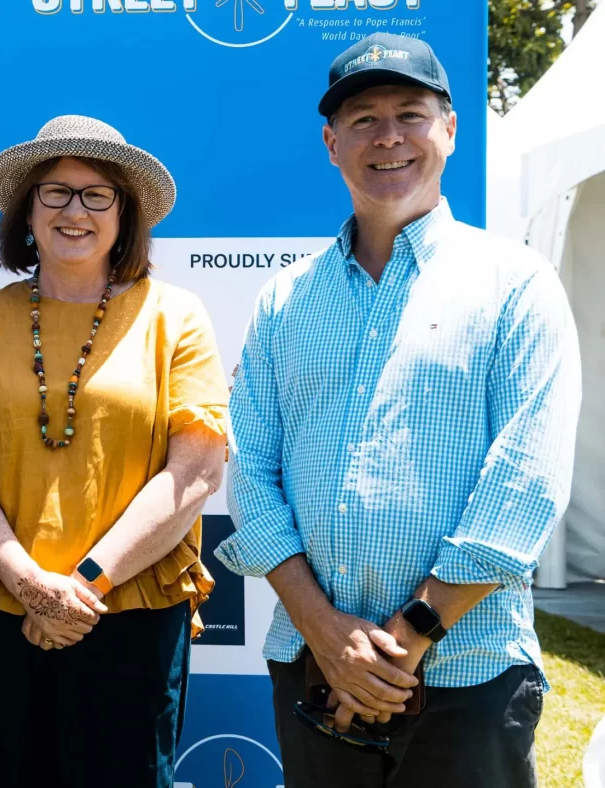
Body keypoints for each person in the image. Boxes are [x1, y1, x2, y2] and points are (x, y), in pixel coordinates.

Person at [215, 33, 582, 788]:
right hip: (314, 672)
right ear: (331, 143)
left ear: (450, 129)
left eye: (410, 113)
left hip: (469, 676)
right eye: (363, 119)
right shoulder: (285, 300)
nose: (388, 137)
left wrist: (407, 636)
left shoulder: (516, 283)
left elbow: (526, 482)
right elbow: (249, 473)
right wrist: (325, 632)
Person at [0, 115, 230, 786]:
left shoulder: (175, 314)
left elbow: (195, 473)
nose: (74, 210)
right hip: (2, 605)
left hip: (130, 608)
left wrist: (81, 587)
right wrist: (29, 583)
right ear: (27, 209)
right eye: (55, 191)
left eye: (98, 194)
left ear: (126, 214)